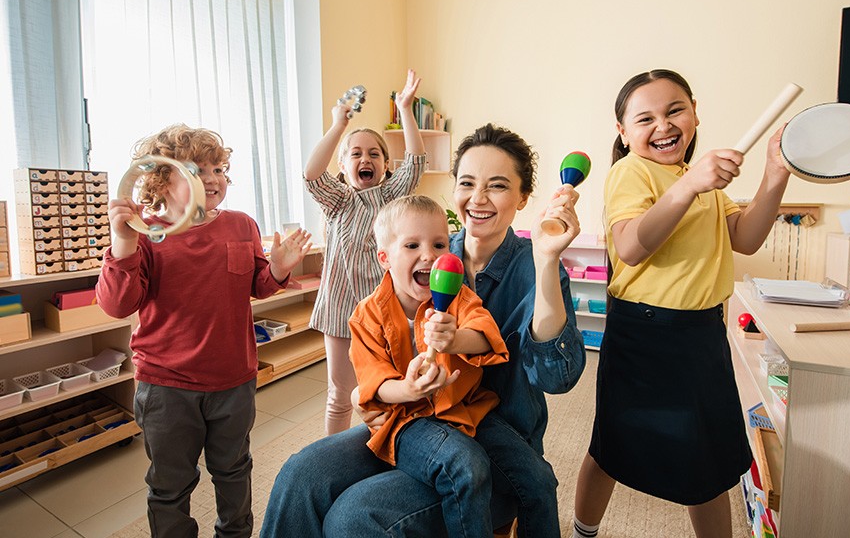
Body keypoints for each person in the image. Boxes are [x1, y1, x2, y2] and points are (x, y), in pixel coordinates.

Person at [261, 124, 586, 538]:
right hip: (413, 419)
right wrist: (391, 390)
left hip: (489, 433)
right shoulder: (431, 247)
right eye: (467, 183)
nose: (479, 198)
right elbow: (378, 345)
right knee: (301, 474)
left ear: (523, 197)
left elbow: (554, 377)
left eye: (498, 185)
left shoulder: (533, 264)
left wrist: (545, 260)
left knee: (354, 517)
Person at [572, 69, 791, 538]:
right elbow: (631, 245)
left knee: (708, 459)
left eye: (675, 111)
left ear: (694, 113)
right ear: (624, 133)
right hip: (645, 334)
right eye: (645, 118)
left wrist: (776, 173)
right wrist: (689, 188)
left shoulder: (696, 177)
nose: (664, 126)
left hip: (702, 335)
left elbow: (746, 237)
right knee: (611, 444)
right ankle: (582, 531)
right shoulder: (631, 172)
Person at [96, 124, 313, 537]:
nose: (213, 179)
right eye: (197, 170)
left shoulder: (241, 225)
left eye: (220, 169)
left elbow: (258, 285)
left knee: (234, 470)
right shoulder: (144, 233)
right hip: (166, 386)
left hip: (233, 379)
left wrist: (281, 266)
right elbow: (117, 304)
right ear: (162, 178)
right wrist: (121, 243)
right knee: (170, 483)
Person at [350, 194, 509, 537]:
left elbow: (486, 336)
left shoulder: (458, 298)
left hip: (463, 413)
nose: (429, 255)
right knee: (463, 466)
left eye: (439, 243)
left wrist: (455, 339)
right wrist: (406, 389)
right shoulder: (367, 314)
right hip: (405, 421)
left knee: (533, 478)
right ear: (385, 258)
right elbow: (373, 381)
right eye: (411, 245)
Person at [305, 69, 427, 435]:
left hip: (383, 311)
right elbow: (311, 174)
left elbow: (416, 162)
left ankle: (387, 445)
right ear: (343, 167)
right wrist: (338, 126)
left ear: (385, 167)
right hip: (340, 308)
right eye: (355, 154)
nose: (365, 158)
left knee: (384, 389)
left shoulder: (392, 198)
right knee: (340, 394)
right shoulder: (338, 200)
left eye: (374, 154)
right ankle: (334, 455)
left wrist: (405, 108)